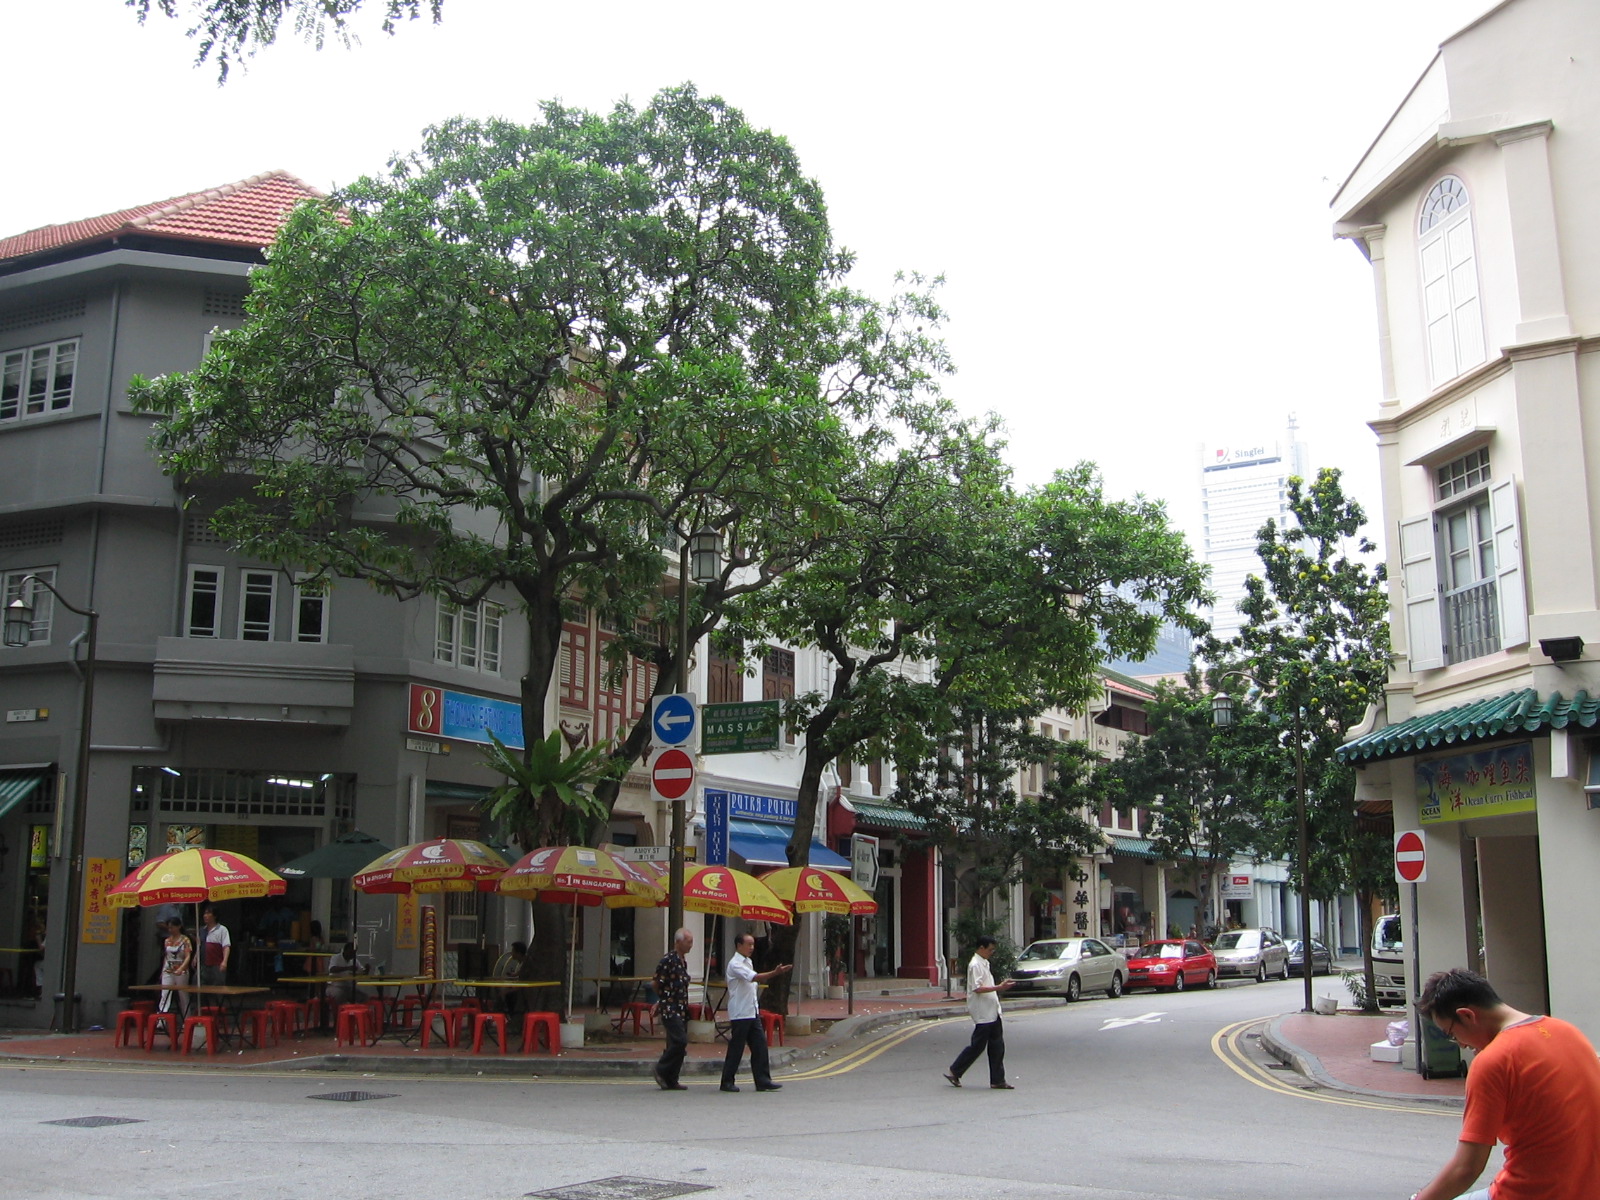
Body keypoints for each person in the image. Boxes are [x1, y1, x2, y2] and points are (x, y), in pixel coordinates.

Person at [1408, 968, 1600, 1200]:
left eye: (1452, 1033)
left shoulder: (1492, 1061)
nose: (1461, 1045)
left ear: (1467, 1015)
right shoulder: (1568, 1032)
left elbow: (1466, 1168)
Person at [719, 932, 791, 1093]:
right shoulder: (735, 964)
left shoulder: (748, 961)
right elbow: (754, 978)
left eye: (753, 944)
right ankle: (727, 1081)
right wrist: (775, 973)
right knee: (736, 1048)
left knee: (760, 1046)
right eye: (748, 944)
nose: (751, 948)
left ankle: (763, 1080)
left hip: (751, 1011)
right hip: (740, 1012)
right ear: (739, 946)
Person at [944, 935, 1014, 1089]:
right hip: (983, 1012)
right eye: (989, 950)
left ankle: (997, 1079)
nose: (991, 952)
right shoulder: (975, 965)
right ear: (981, 948)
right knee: (977, 1046)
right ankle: (955, 1070)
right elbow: (977, 988)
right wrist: (999, 987)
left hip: (992, 1011)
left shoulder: (984, 963)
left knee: (997, 1047)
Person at [653, 927, 694, 1091]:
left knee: (677, 1044)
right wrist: (662, 1000)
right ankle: (661, 1068)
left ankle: (671, 1078)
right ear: (678, 942)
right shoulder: (668, 960)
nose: (691, 945)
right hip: (670, 1007)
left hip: (682, 1007)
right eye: (688, 941)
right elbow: (656, 983)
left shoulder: (682, 961)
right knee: (680, 1040)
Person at [158, 918, 193, 1017]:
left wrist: (181, 968)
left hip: (181, 971)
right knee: (164, 994)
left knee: (183, 995)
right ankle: (161, 1019)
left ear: (178, 927)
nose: (170, 930)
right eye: (169, 928)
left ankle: (187, 1018)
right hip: (168, 970)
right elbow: (166, 957)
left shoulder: (185, 940)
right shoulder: (167, 941)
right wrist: (162, 971)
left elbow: (188, 956)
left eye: (172, 927)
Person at [324, 940, 369, 1009]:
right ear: (345, 950)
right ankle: (339, 1013)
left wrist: (366, 970)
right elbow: (332, 969)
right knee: (340, 995)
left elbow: (362, 971)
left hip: (348, 987)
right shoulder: (336, 957)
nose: (353, 954)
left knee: (363, 997)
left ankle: (356, 1013)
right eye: (351, 952)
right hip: (335, 986)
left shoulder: (354, 960)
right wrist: (347, 968)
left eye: (354, 952)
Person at [197, 906, 231, 986]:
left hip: (216, 964)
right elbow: (200, 945)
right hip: (203, 964)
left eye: (208, 913)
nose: (205, 916)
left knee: (217, 986)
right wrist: (196, 957)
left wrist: (224, 962)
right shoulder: (202, 930)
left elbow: (226, 946)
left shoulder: (222, 929)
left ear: (214, 916)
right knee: (201, 984)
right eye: (205, 913)